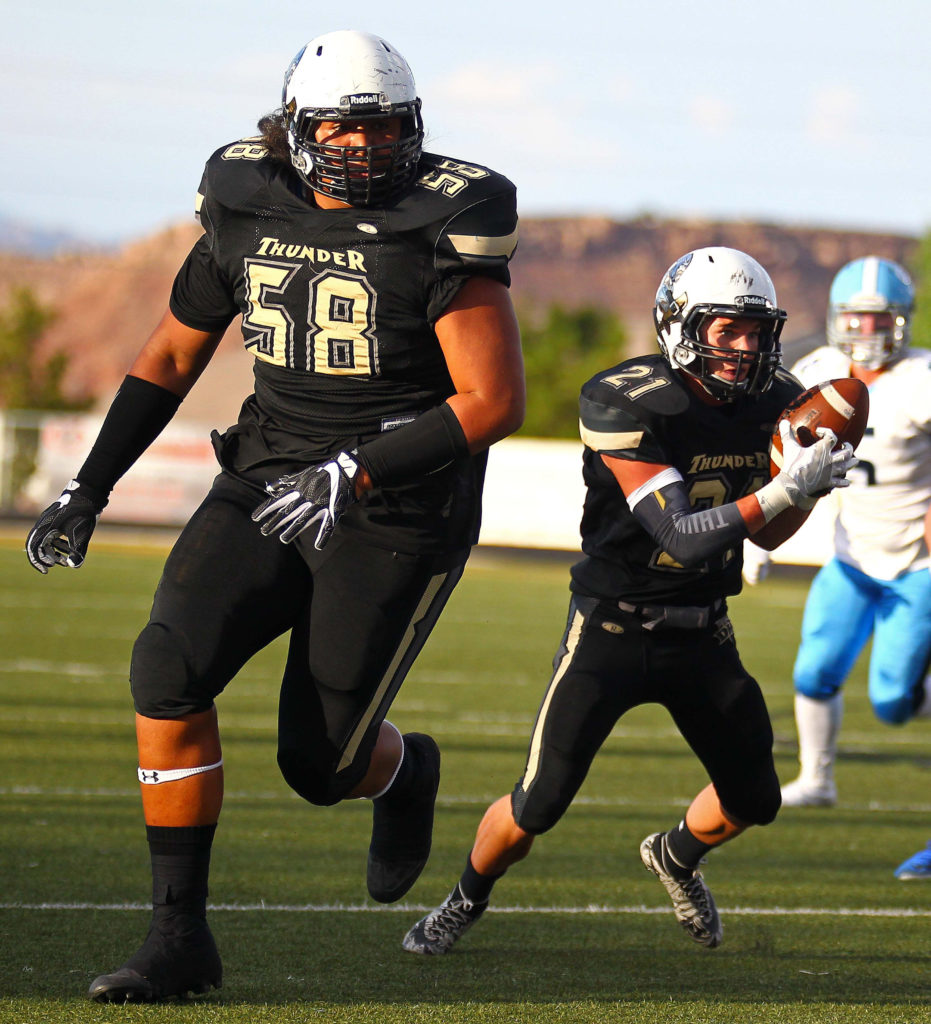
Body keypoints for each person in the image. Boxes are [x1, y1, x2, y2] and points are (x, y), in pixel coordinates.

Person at [24, 30, 524, 1001]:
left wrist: (360, 470)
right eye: (341, 124)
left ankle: (400, 769)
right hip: (267, 474)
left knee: (315, 762)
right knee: (166, 667)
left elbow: (490, 401)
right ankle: (178, 938)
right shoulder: (245, 195)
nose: (363, 146)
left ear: (413, 129)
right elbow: (172, 354)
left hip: (399, 504)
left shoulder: (445, 217)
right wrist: (91, 485)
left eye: (382, 127)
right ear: (294, 126)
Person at [401, 247, 856, 956]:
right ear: (679, 326)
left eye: (756, 330)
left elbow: (768, 533)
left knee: (754, 799)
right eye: (725, 328)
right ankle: (464, 898)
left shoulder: (774, 399)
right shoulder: (623, 397)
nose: (744, 346)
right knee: (537, 803)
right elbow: (678, 529)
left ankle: (674, 856)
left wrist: (806, 487)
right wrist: (783, 487)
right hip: (612, 628)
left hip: (703, 629)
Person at [741, 256, 931, 876]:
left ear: (901, 321)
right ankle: (816, 779)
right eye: (857, 316)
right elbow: (777, 453)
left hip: (916, 562)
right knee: (815, 669)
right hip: (850, 557)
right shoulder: (818, 371)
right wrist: (757, 536)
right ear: (835, 319)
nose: (868, 329)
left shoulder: (921, 378)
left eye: (880, 318)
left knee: (893, 701)